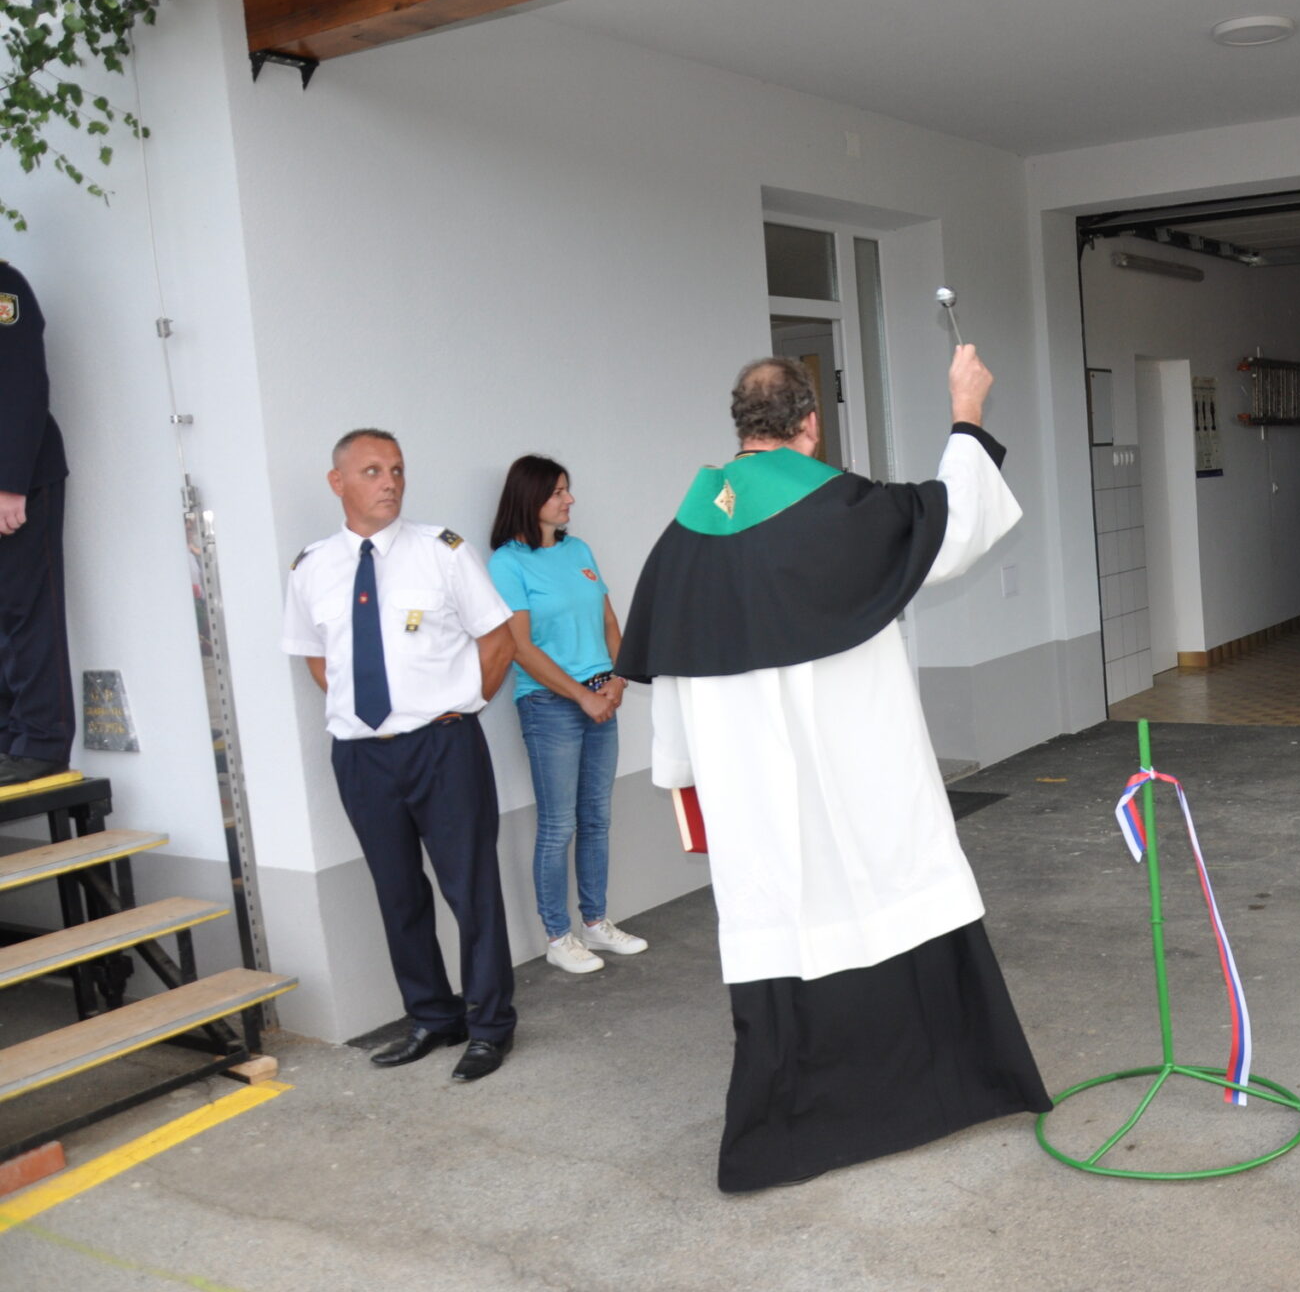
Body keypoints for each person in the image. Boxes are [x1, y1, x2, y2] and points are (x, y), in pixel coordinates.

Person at [616, 344, 1050, 1193]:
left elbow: (667, 675)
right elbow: (953, 525)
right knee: (887, 879)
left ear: (741, 428)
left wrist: (682, 776)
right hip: (858, 771)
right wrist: (966, 411)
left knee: (781, 914)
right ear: (810, 425)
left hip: (753, 797)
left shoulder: (683, 538)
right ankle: (935, 1090)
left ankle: (787, 1132)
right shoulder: (840, 509)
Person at [282, 429, 519, 1083]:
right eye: (372, 471)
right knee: (398, 894)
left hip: (442, 748)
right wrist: (369, 714)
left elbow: (499, 640)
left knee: (471, 890)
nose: (389, 482)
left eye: (396, 470)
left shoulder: (441, 552)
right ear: (337, 483)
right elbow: (317, 658)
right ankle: (433, 1016)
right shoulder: (311, 567)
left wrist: (459, 705)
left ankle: (490, 1027)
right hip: (362, 757)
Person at [487, 456, 646, 974]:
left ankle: (595, 923)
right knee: (558, 825)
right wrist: (583, 696)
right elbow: (520, 647)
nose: (569, 499)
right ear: (529, 497)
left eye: (567, 490)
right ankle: (558, 936)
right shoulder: (507, 563)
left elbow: (609, 622)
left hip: (603, 695)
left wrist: (619, 678)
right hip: (550, 705)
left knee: (596, 818)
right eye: (558, 492)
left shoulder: (579, 550)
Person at [0, 262, 73, 787]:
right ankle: (9, 738)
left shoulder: (3, 288)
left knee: (27, 610)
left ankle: (42, 741)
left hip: (16, 480)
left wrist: (10, 483)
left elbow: (22, 382)